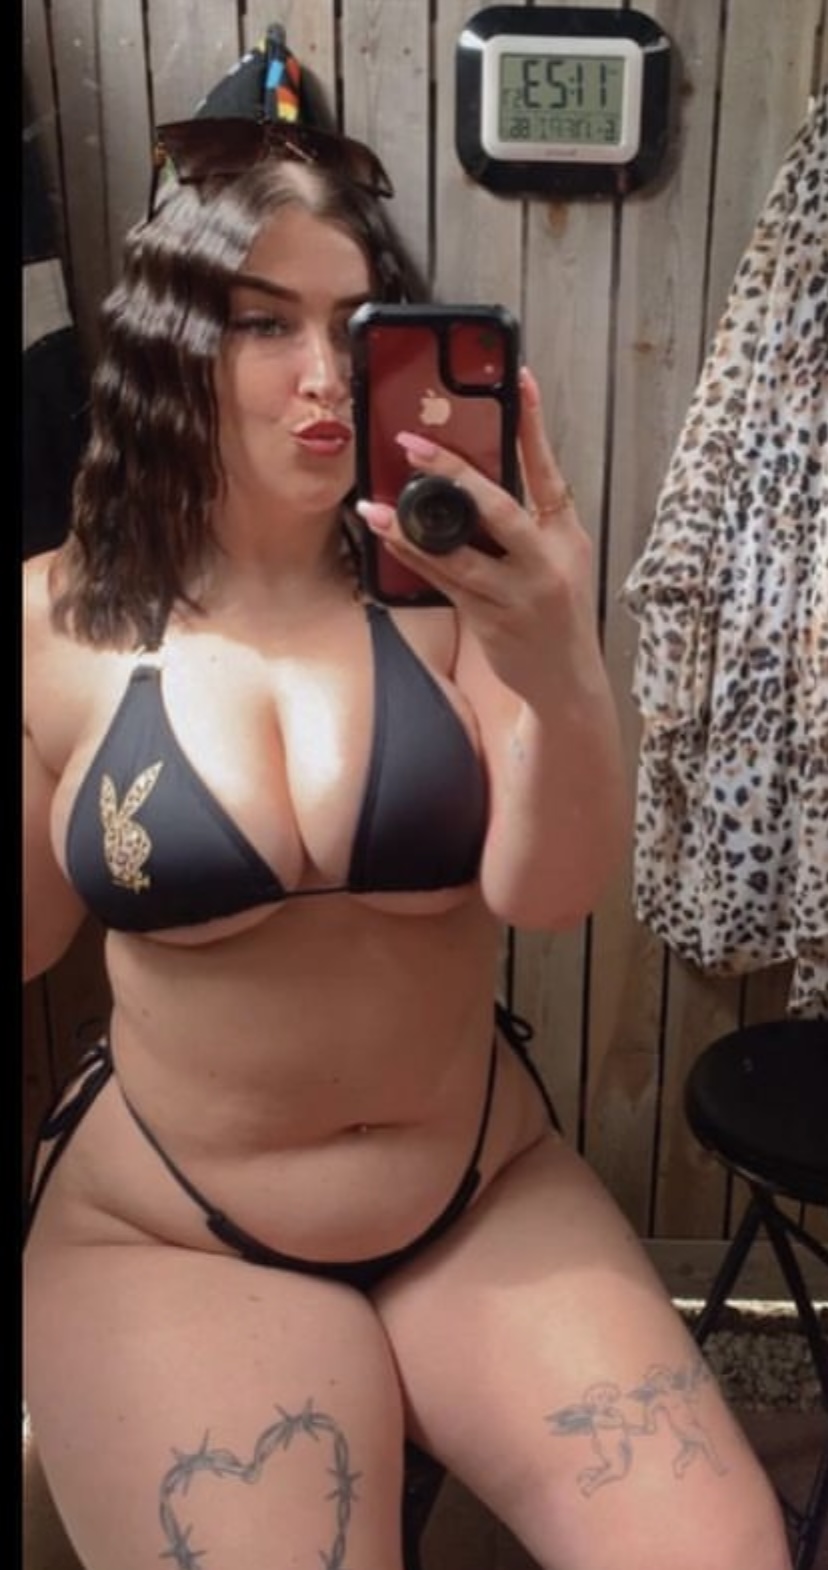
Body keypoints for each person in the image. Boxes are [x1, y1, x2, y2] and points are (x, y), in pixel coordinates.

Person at [23, 48, 792, 1570]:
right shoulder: (51, 624)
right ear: (173, 341)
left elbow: (548, 892)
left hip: (480, 1189)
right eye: (264, 322)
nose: (322, 375)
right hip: (172, 1222)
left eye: (354, 323)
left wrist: (556, 656)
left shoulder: (462, 600)